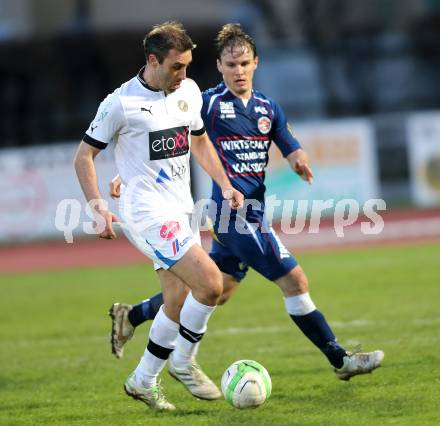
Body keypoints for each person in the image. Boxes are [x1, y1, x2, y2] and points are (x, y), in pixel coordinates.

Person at [109, 23, 384, 383]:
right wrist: (130, 172)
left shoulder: (268, 107)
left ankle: (132, 315)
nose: (239, 71)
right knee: (295, 280)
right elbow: (168, 131)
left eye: (245, 63)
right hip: (232, 215)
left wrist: (298, 160)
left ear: (256, 63)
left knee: (213, 291)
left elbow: (288, 141)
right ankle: (340, 359)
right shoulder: (206, 102)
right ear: (220, 67)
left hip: (255, 210)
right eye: (231, 64)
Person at [74, 21, 244, 411]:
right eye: (176, 66)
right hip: (146, 212)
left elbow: (198, 141)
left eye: (187, 65)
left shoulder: (188, 91)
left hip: (181, 207)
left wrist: (226, 183)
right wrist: (97, 205)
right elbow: (84, 155)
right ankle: (183, 361)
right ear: (153, 60)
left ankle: (142, 381)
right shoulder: (121, 103)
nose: (183, 74)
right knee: (211, 284)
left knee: (177, 298)